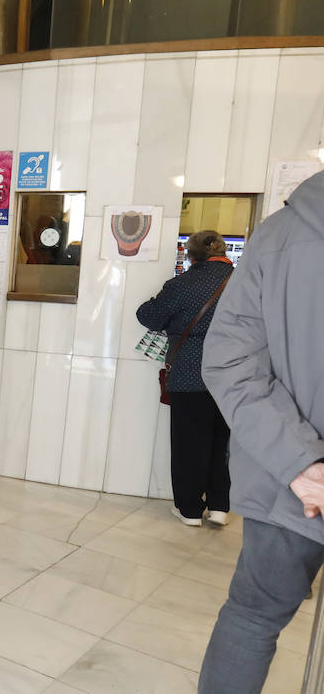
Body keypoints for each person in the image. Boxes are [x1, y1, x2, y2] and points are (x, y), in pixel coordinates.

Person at [198, 172, 324, 693]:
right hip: (288, 478)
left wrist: (300, 465)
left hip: (284, 483)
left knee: (252, 618)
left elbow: (229, 360)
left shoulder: (278, 235)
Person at [136, 229, 233, 527]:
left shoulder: (182, 284)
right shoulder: (244, 281)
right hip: (233, 375)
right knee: (221, 443)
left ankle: (190, 509)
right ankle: (219, 507)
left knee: (189, 444)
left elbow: (148, 316)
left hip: (190, 373)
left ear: (190, 255)